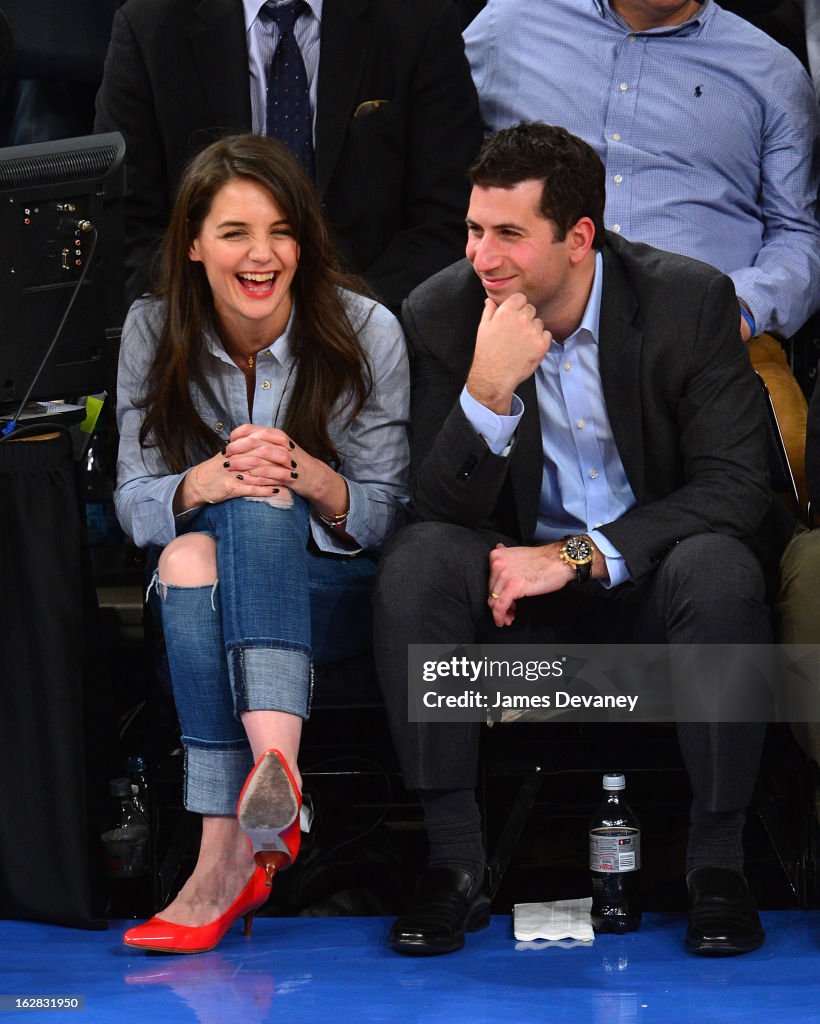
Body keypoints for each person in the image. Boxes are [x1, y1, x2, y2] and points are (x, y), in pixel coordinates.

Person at [372, 122, 793, 959]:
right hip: (515, 610)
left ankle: (719, 868)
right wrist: (488, 390)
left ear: (579, 239)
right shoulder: (442, 313)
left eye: (508, 235)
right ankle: (453, 865)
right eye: (472, 229)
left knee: (720, 567)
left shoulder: (686, 300)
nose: (481, 256)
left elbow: (738, 486)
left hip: (655, 584)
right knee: (418, 562)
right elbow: (435, 506)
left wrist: (576, 556)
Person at [114, 132, 410, 954]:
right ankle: (270, 794)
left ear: (304, 242)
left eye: (280, 231)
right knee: (190, 550)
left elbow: (391, 513)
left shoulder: (365, 330)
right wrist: (202, 482)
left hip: (332, 596)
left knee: (262, 509)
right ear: (195, 243)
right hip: (204, 590)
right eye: (236, 232)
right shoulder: (152, 330)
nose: (262, 254)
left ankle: (227, 850)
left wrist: (312, 478)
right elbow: (133, 502)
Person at [463, 0, 820, 502]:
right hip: (529, 326)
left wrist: (733, 311)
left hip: (715, 342)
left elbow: (799, 234)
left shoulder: (770, 69)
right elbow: (432, 164)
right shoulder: (505, 28)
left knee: (797, 461)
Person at [93, 0, 483, 314]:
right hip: (205, 328)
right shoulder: (150, 27)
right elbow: (127, 228)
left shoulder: (419, 19)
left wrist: (350, 317)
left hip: (375, 319)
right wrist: (219, 318)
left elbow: (448, 216)